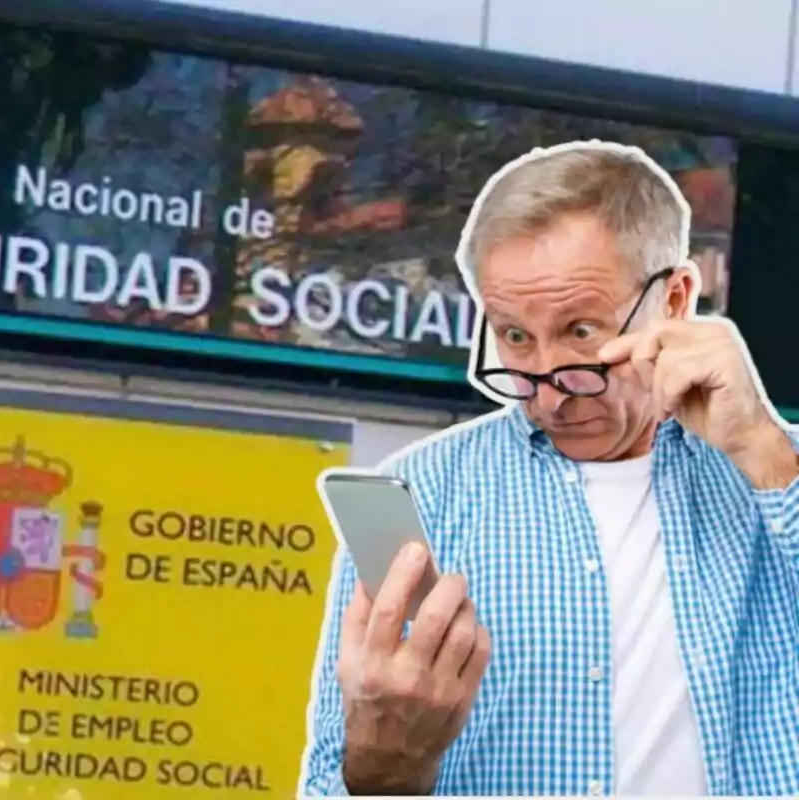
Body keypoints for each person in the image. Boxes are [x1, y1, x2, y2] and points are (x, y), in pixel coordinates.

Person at [299, 141, 799, 797]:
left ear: (675, 300)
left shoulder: (772, 470)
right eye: (513, 337)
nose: (548, 389)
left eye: (581, 332)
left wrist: (766, 450)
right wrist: (386, 764)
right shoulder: (426, 496)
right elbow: (328, 783)